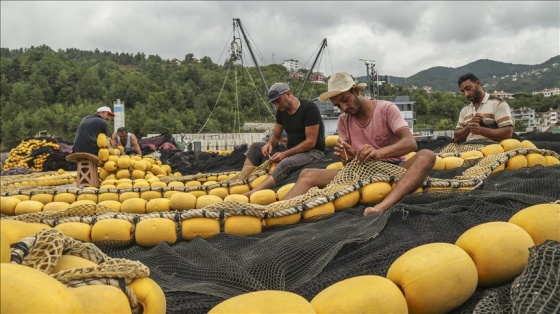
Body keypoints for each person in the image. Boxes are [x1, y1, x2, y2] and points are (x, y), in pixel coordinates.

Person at [284, 72, 436, 215]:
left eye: (345, 100)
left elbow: (410, 143)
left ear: (356, 91)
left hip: (394, 167)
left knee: (427, 155)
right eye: (338, 105)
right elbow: (347, 165)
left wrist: (379, 153)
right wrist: (348, 156)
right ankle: (276, 212)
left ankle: (382, 207)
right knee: (307, 174)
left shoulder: (386, 109)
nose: (343, 108)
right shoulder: (343, 120)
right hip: (360, 172)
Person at [243, 83, 325, 197]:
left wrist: (285, 154)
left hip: (312, 152)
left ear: (288, 94)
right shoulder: (281, 112)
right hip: (290, 149)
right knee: (255, 147)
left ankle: (252, 193)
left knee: (286, 162)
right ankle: (243, 180)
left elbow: (311, 142)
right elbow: (276, 136)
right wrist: (270, 144)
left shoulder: (309, 108)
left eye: (278, 101)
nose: (277, 105)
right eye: (274, 103)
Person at [454, 73, 514, 143]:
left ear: (478, 83)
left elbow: (507, 133)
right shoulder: (465, 110)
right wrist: (470, 125)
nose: (466, 94)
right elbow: (457, 137)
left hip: (492, 149)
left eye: (468, 88)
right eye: (463, 91)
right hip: (467, 149)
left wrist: (481, 130)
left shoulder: (498, 104)